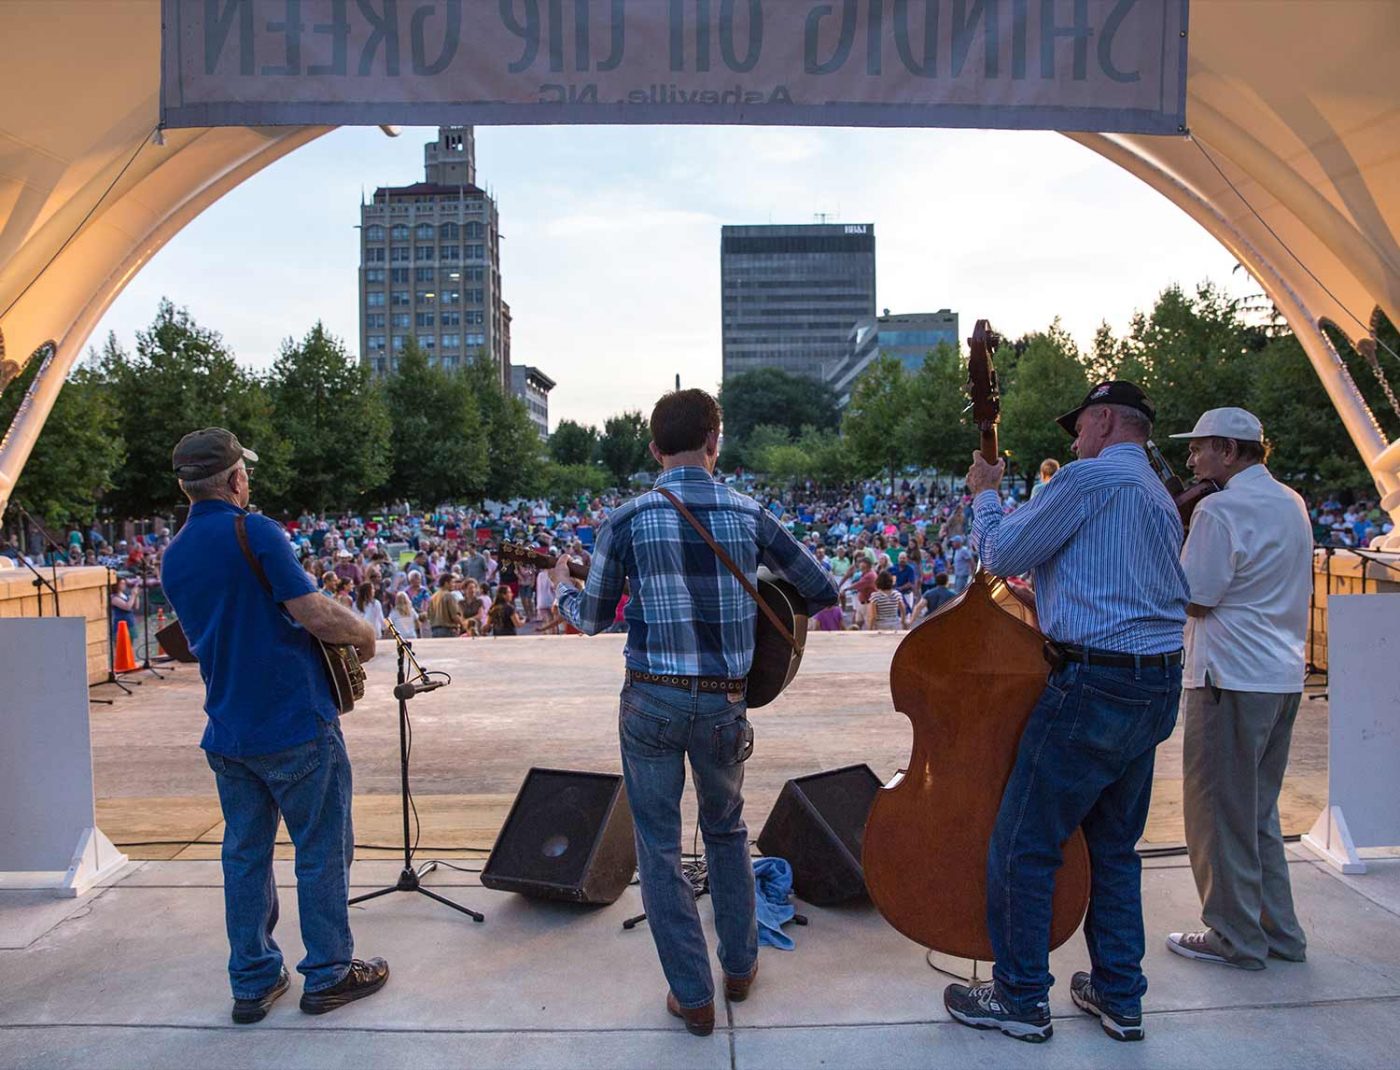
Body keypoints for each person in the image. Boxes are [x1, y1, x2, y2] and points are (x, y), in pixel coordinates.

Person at [550, 389, 838, 1038]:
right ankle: (739, 968)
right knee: (728, 832)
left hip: (650, 698)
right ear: (717, 440)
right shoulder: (749, 513)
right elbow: (821, 589)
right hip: (724, 706)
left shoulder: (626, 520)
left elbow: (593, 619)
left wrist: (568, 592)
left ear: (655, 449)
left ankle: (693, 996)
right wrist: (756, 608)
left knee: (658, 846)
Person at [943, 382, 1187, 1045]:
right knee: (1114, 849)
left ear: (1104, 421)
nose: (1072, 440)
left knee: (1026, 843)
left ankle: (1021, 998)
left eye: (1078, 426)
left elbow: (1000, 555)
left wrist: (986, 492)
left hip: (1095, 682)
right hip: (1157, 682)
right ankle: (1119, 995)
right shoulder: (1159, 496)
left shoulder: (1089, 480)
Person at [158, 428, 388, 1025]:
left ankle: (254, 980)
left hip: (229, 730)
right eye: (246, 473)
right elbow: (309, 610)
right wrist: (365, 633)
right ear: (237, 478)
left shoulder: (175, 553)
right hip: (294, 722)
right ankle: (330, 973)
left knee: (245, 856)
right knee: (321, 850)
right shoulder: (253, 530)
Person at [1163, 408, 1313, 971]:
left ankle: (1233, 935)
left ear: (1228, 450)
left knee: (1217, 814)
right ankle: (1279, 932)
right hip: (1279, 677)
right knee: (1257, 813)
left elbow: (1197, 596)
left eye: (1200, 448)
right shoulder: (1291, 502)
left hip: (1228, 677)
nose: (1191, 460)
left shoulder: (1220, 511)